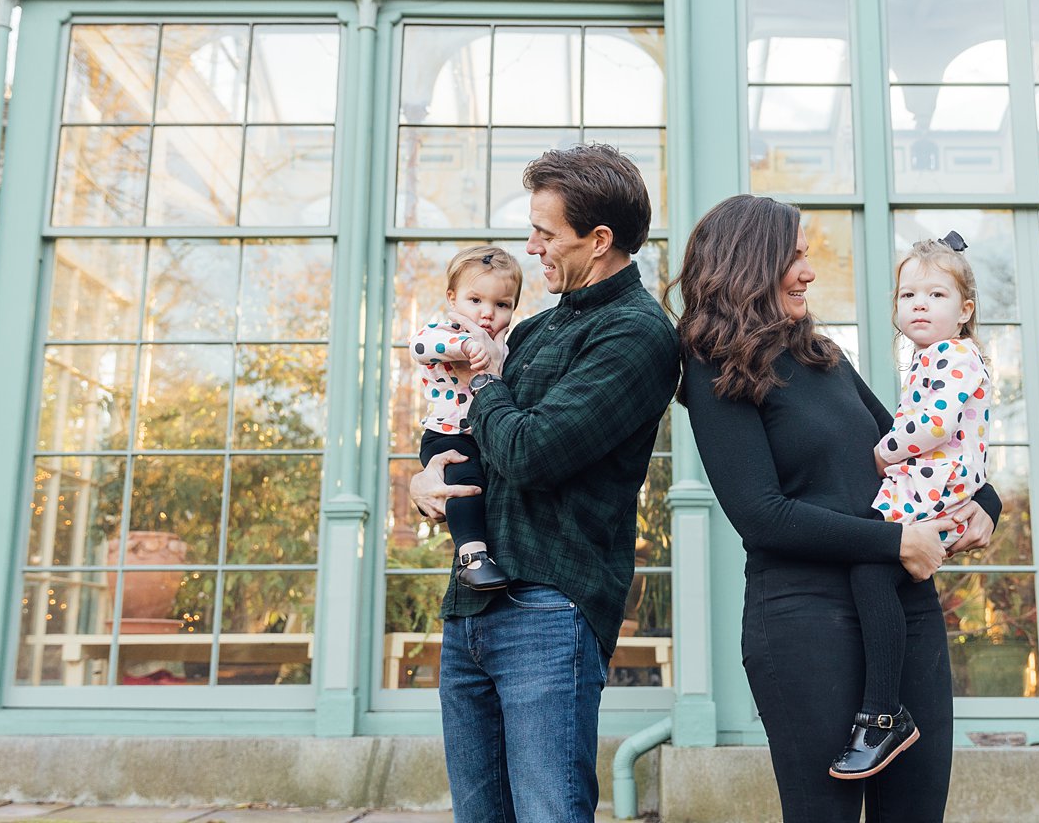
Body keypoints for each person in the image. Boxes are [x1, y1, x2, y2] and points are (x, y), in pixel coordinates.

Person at [674, 195, 1002, 823]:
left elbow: (909, 441)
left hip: (904, 611)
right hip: (804, 620)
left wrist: (985, 499)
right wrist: (894, 543)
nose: (808, 271)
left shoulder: (825, 357)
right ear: (751, 263)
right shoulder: (713, 367)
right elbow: (761, 515)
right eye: (793, 257)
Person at [407, 143, 680, 823]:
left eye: (544, 233)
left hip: (549, 610)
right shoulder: (531, 330)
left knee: (548, 814)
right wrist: (426, 478)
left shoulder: (638, 334)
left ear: (599, 240)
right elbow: (476, 442)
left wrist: (486, 381)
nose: (529, 247)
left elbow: (530, 453)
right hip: (470, 609)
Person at [830, 231, 992, 780]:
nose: (919, 304)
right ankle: (881, 708)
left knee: (870, 570)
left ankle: (883, 712)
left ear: (965, 311)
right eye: (908, 296)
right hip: (931, 484)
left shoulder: (952, 354)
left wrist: (883, 451)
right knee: (877, 573)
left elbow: (935, 423)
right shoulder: (934, 356)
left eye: (937, 296)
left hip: (933, 485)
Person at [407, 245, 523, 591]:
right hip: (449, 435)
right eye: (476, 300)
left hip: (488, 434)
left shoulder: (506, 344)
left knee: (486, 488)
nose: (487, 313)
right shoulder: (443, 332)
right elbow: (419, 347)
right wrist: (466, 347)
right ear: (452, 299)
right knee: (464, 486)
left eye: (502, 305)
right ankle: (472, 558)